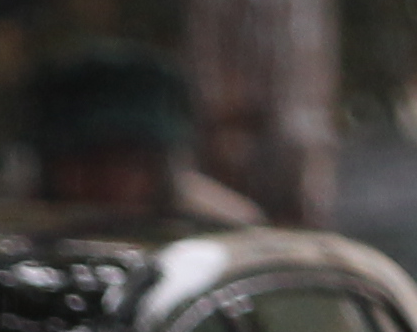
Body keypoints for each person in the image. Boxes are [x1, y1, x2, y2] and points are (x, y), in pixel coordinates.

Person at [26, 39, 263, 220]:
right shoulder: (9, 224)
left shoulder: (218, 231)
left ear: (162, 165)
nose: (111, 179)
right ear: (51, 163)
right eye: (91, 158)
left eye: (130, 159)